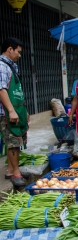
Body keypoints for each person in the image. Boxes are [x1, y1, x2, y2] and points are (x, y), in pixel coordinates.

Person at [0, 37, 30, 186]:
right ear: (10, 49)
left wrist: (24, 111)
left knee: (17, 140)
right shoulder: (1, 66)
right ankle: (16, 174)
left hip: (16, 110)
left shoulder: (11, 66)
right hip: (6, 112)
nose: (20, 55)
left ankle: (12, 170)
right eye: (18, 51)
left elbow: (17, 91)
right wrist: (11, 111)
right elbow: (1, 90)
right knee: (12, 142)